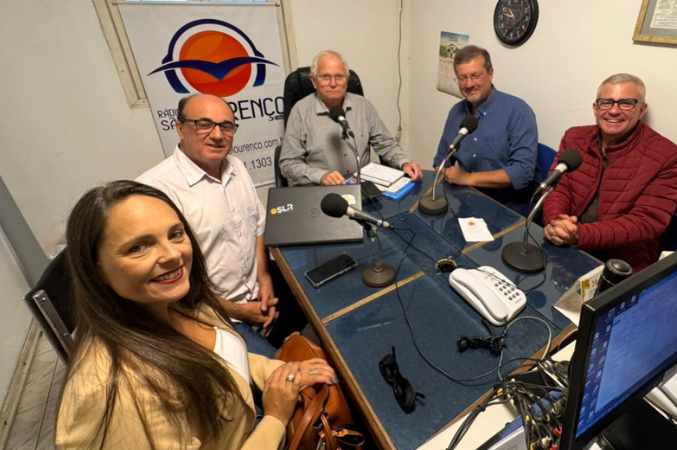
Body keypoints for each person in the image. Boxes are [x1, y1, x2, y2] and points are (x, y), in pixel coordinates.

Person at [56, 181, 336, 449]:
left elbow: (223, 358)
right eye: (138, 247)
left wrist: (282, 373)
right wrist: (275, 418)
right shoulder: (112, 394)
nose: (172, 255)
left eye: (175, 234)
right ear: (96, 269)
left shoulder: (175, 299)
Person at [138, 94, 297, 357]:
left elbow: (257, 227)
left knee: (319, 304)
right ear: (180, 128)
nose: (217, 135)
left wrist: (265, 279)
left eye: (226, 126)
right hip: (211, 313)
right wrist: (239, 311)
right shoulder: (155, 191)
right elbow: (166, 287)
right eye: (204, 124)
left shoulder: (237, 166)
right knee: (279, 372)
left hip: (258, 289)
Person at [543, 73, 677, 272]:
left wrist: (579, 235)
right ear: (595, 108)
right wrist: (557, 222)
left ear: (642, 109)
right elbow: (557, 187)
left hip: (621, 262)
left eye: (626, 103)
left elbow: (646, 222)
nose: (614, 111)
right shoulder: (574, 137)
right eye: (606, 103)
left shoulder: (667, 156)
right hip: (565, 244)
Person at [280, 50, 422, 186]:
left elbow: (385, 144)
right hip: (320, 189)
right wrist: (320, 176)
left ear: (347, 80)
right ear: (313, 81)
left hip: (362, 186)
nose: (333, 83)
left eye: (339, 77)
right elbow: (288, 164)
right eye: (325, 77)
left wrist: (404, 162)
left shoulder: (363, 106)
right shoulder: (300, 112)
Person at [432, 45, 538, 215]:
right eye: (462, 78)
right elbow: (441, 161)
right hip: (465, 203)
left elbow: (522, 173)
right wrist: (445, 173)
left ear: (490, 74)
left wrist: (467, 178)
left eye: (476, 76)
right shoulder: (456, 112)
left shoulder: (518, 112)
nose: (469, 84)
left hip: (506, 211)